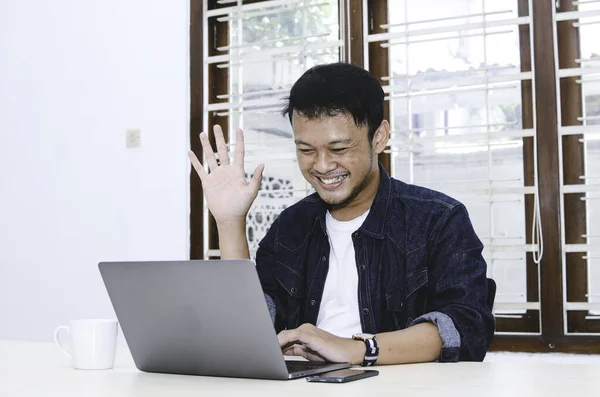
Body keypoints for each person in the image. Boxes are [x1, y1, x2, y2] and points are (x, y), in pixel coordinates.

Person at [189, 62, 495, 366]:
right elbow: (248, 329)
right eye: (306, 150)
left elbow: (465, 326)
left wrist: (356, 349)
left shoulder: (439, 220)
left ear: (379, 138)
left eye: (338, 149)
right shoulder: (290, 227)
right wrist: (230, 222)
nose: (322, 166)